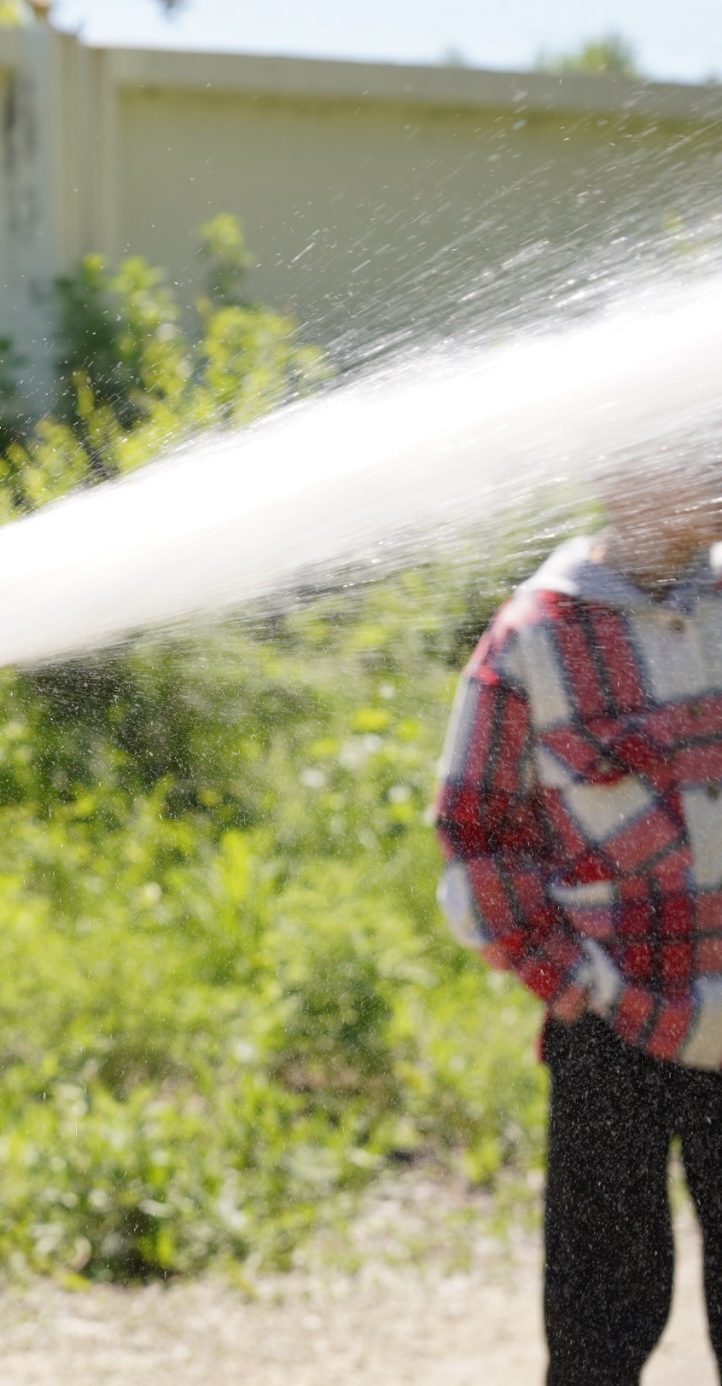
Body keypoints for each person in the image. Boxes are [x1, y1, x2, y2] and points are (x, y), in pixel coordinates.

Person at [433, 456, 722, 1384]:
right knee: (601, 1316)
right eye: (692, 457)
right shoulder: (535, 640)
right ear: (624, 481)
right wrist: (568, 981)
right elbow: (478, 833)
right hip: (611, 1024)